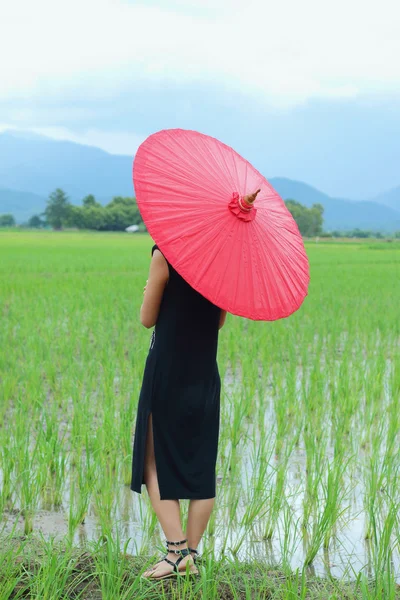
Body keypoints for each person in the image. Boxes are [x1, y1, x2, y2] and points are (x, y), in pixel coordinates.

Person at [130, 242, 227, 580]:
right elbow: (217, 322)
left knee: (152, 460)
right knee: (202, 465)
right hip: (204, 376)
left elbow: (146, 319)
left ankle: (176, 553)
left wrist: (150, 288)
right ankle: (193, 555)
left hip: (167, 373)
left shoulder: (166, 254)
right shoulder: (224, 260)